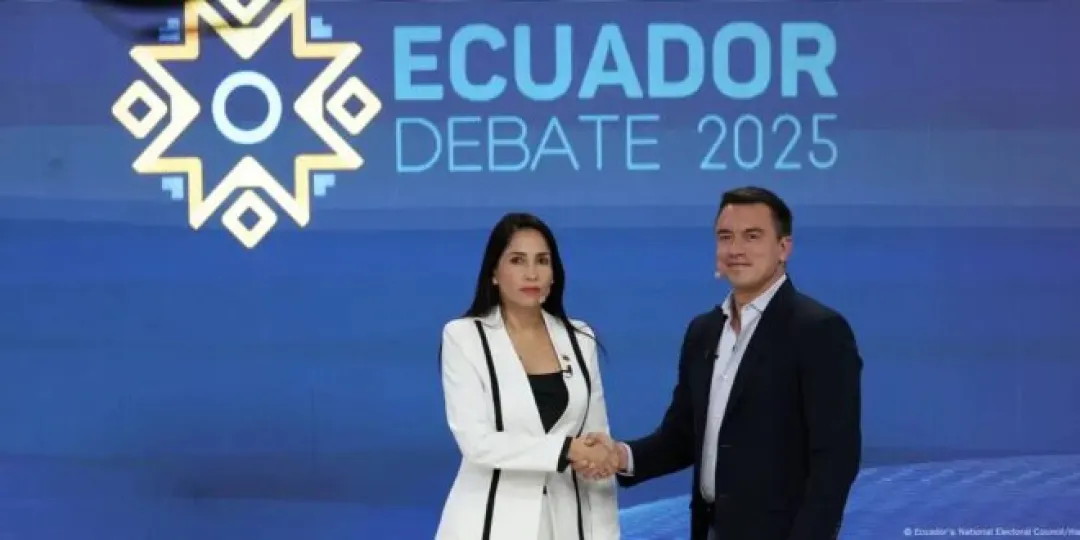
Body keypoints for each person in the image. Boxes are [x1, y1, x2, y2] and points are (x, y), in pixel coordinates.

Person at [584, 186, 863, 540]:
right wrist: (620, 456)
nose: (736, 249)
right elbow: (683, 437)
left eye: (752, 236)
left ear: (783, 248)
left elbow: (835, 460)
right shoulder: (703, 331)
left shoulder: (818, 330)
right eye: (725, 237)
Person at [435, 212, 621, 540]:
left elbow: (596, 446)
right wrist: (565, 450)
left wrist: (607, 534)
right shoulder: (464, 337)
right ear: (494, 273)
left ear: (554, 274)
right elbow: (477, 443)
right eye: (517, 260)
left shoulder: (580, 339)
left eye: (542, 261)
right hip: (489, 524)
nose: (532, 273)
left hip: (566, 525)